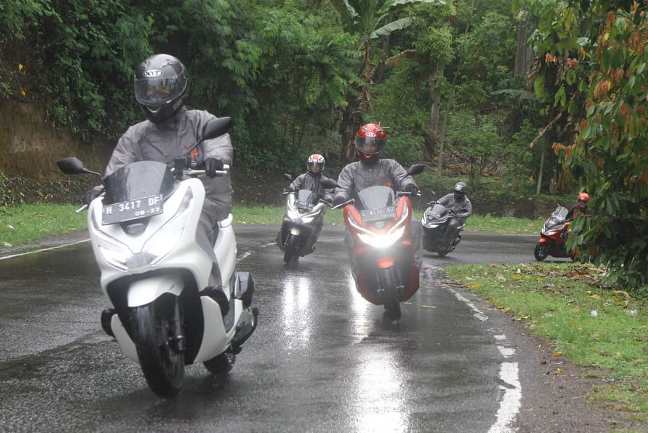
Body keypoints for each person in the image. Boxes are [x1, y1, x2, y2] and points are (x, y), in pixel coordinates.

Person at [102, 53, 232, 288]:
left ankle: (211, 288)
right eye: (148, 90)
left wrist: (215, 159)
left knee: (195, 227)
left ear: (179, 89)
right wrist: (103, 189)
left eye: (161, 89)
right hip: (152, 207)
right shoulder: (135, 135)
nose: (154, 96)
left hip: (202, 203)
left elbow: (218, 144)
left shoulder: (201, 121)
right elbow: (117, 169)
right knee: (119, 234)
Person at [333, 123, 418, 207]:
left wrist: (409, 185)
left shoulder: (391, 165)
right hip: (358, 213)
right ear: (360, 145)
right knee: (347, 209)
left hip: (391, 211)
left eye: (372, 145)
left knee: (406, 205)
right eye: (366, 144)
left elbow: (402, 177)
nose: (369, 148)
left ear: (379, 146)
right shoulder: (350, 170)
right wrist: (340, 196)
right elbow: (342, 187)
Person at [277, 154, 334, 250]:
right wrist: (290, 188)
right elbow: (294, 184)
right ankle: (282, 234)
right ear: (308, 165)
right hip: (301, 203)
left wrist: (328, 197)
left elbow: (329, 191)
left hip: (316, 206)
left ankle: (311, 242)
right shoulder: (302, 177)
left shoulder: (325, 180)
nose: (314, 167)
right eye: (312, 165)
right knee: (287, 216)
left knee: (319, 221)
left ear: (322, 167)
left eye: (317, 166)